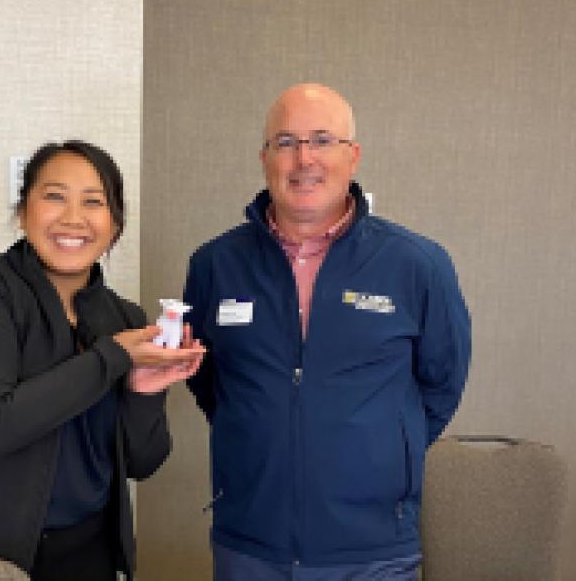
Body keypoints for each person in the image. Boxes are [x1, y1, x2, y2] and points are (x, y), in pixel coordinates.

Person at [182, 84, 471, 580]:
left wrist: (380, 449)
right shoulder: (215, 265)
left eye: (321, 140)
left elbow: (441, 383)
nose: (304, 158)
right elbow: (209, 382)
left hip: (373, 549)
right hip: (250, 543)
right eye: (286, 142)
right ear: (265, 157)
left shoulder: (417, 264)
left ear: (353, 155)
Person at [0, 140, 205, 581]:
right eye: (54, 196)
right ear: (23, 212)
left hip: (89, 548)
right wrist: (110, 357)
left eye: (94, 202)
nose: (73, 218)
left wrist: (142, 394)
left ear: (115, 224)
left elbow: (143, 463)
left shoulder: (123, 317)